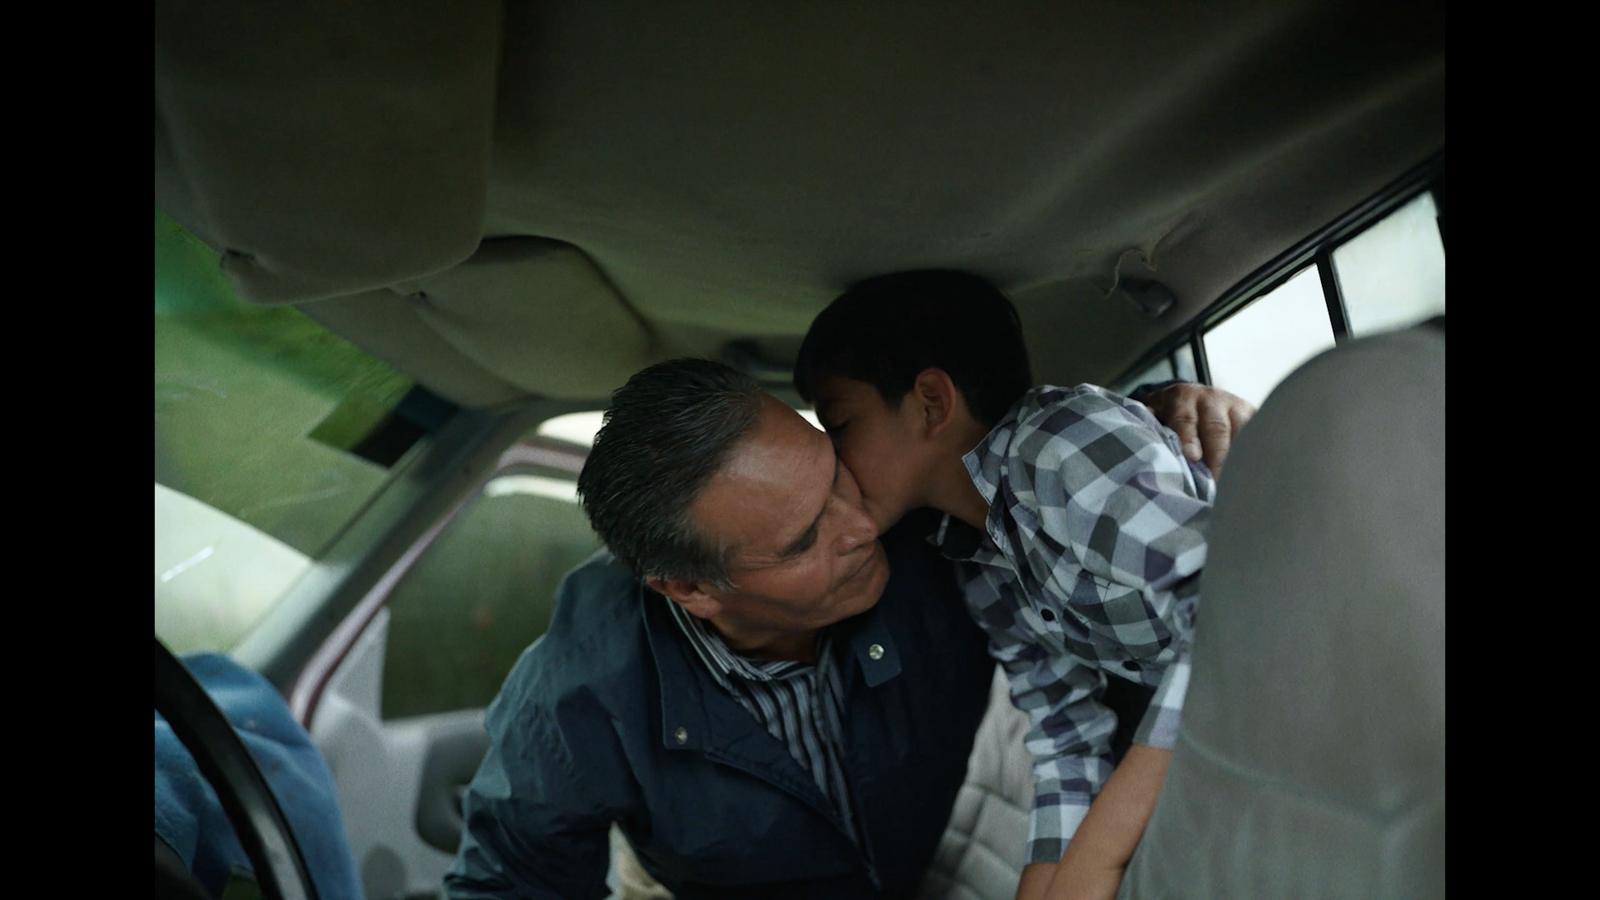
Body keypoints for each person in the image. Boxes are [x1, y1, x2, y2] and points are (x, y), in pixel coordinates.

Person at [445, 356, 1249, 899]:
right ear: (690, 589)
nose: (859, 525)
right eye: (803, 540)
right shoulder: (575, 692)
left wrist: (1163, 416)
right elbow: (504, 885)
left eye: (836, 473)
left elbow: (1036, 480)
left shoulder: (923, 533)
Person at [792, 270, 1253, 900]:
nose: (829, 460)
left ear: (931, 402)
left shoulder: (1060, 443)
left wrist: (1099, 859)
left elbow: (1233, 605)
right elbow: (1065, 731)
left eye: (839, 424)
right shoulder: (976, 556)